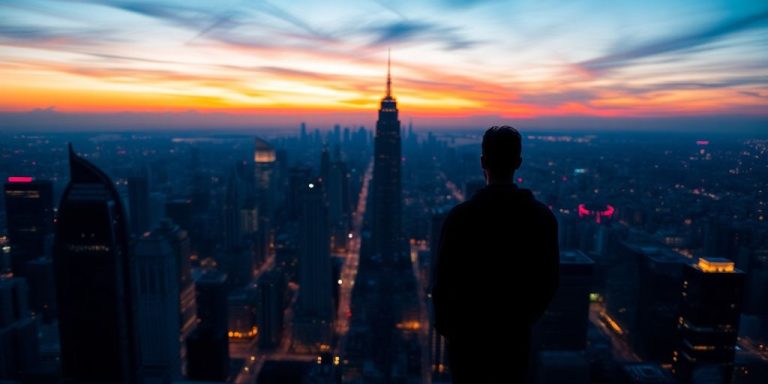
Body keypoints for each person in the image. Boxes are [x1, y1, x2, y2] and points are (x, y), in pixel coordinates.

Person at [432, 126, 559, 383]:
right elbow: (548, 284)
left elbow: (443, 283)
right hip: (514, 342)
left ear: (483, 162)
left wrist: (453, 332)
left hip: (467, 344)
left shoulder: (461, 217)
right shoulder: (541, 218)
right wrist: (519, 322)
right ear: (518, 163)